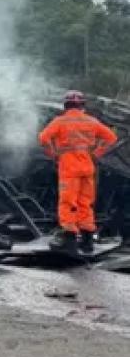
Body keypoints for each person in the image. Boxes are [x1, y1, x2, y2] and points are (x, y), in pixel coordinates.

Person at [38, 90, 117, 253]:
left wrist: (52, 154)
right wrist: (96, 153)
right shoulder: (91, 121)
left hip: (69, 167)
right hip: (87, 167)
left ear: (65, 105)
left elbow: (43, 138)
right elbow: (111, 138)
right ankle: (87, 242)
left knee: (68, 203)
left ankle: (69, 239)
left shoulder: (60, 121)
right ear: (82, 105)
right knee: (85, 203)